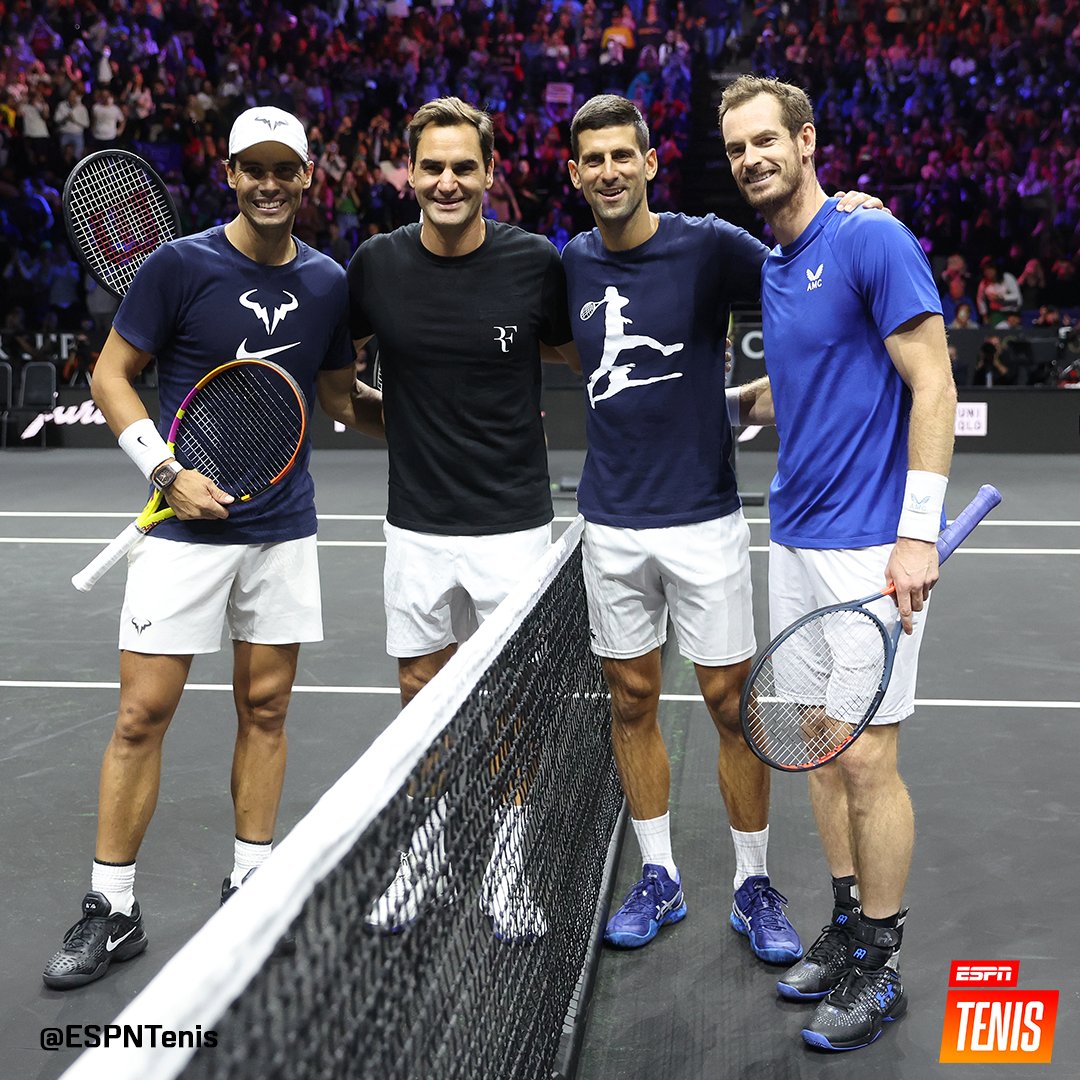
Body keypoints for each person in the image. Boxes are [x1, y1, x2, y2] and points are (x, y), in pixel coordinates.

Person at [43, 106, 381, 990]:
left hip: (281, 528)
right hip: (184, 529)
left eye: (285, 169)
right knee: (139, 715)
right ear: (229, 173)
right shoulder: (178, 264)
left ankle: (252, 886)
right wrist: (164, 472)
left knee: (266, 710)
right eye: (252, 168)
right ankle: (111, 908)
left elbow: (343, 400)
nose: (269, 184)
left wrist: (454, 416)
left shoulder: (328, 282)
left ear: (309, 178)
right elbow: (110, 376)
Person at [561, 94, 880, 961]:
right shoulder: (572, 266)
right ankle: (658, 875)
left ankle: (752, 884)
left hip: (704, 518)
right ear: (576, 172)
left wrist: (857, 207)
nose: (610, 171)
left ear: (651, 162)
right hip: (611, 525)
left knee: (733, 706)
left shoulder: (707, 245)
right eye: (594, 159)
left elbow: (805, 251)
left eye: (624, 155)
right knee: (630, 703)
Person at [719, 74, 956, 1051]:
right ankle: (850, 924)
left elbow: (933, 383)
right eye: (736, 149)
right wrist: (741, 399)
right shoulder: (777, 261)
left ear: (807, 140)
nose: (751, 159)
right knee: (819, 743)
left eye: (766, 141)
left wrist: (916, 533)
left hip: (870, 544)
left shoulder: (870, 238)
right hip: (797, 536)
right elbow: (815, 371)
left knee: (868, 756)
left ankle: (885, 964)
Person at [346, 97, 576, 937]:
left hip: (513, 524)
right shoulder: (374, 265)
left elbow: (569, 347)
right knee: (419, 692)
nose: (447, 181)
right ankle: (428, 849)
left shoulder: (534, 263)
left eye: (463, 167)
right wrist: (401, 425)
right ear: (409, 173)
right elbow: (342, 388)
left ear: (489, 173)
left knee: (513, 703)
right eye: (431, 167)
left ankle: (507, 858)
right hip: (415, 522)